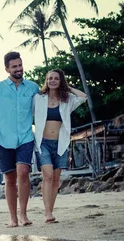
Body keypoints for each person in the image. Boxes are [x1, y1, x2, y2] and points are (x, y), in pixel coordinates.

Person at [0, 52, 38, 228]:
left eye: (20, 65)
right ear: (7, 69)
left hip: (25, 137)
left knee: (23, 172)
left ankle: (23, 215)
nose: (18, 69)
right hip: (3, 139)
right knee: (9, 178)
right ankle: (12, 218)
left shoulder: (33, 88)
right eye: (14, 66)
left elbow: (42, 110)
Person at [33, 69, 87, 223]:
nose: (52, 81)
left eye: (56, 78)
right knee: (48, 175)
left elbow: (84, 97)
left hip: (61, 143)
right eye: (50, 78)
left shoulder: (67, 99)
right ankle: (47, 213)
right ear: (46, 80)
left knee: (56, 179)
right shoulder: (38, 98)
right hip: (42, 142)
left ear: (60, 80)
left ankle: (50, 210)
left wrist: (67, 87)